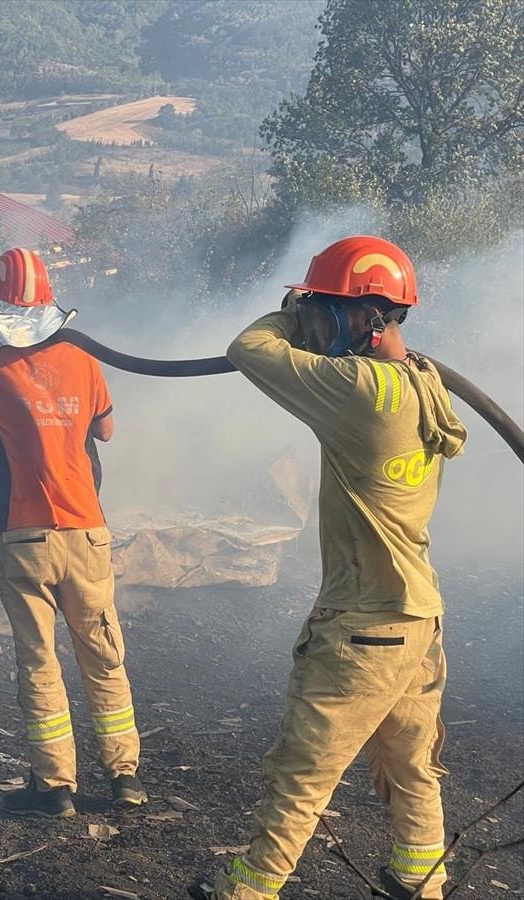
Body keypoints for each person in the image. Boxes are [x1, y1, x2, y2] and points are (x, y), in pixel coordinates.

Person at [190, 236, 467, 900]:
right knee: (410, 764)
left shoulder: (360, 390)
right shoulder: (423, 384)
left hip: (364, 630)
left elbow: (248, 348)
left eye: (326, 308)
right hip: (417, 619)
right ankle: (419, 878)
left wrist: (290, 315)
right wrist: (321, 312)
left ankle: (248, 891)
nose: (315, 321)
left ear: (369, 317)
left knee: (301, 772)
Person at [0, 247, 148, 817]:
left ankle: (55, 788)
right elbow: (106, 432)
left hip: (21, 538)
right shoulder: (83, 359)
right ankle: (124, 778)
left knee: (39, 660)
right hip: (87, 535)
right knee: (103, 655)